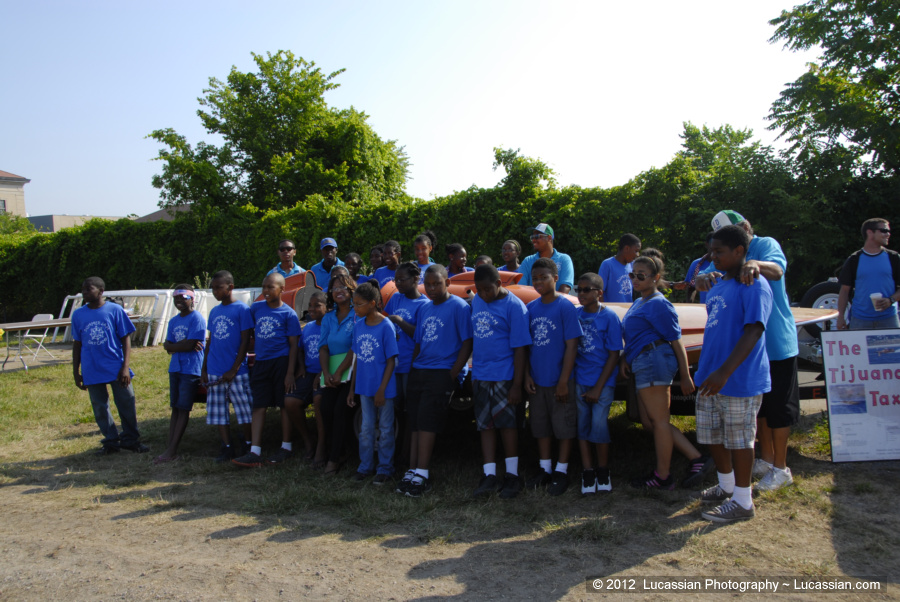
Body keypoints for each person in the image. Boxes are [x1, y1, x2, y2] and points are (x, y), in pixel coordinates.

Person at [698, 210, 800, 492]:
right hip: (747, 350)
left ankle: (781, 467)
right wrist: (703, 278)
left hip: (776, 341)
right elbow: (710, 273)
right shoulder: (725, 252)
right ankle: (765, 460)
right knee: (760, 410)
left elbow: (777, 270)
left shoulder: (765, 244)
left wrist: (755, 263)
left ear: (744, 227)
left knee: (779, 409)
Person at [692, 225, 773, 523]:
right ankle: (726, 485)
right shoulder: (718, 284)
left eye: (720, 251)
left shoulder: (753, 283)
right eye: (712, 251)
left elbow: (754, 330)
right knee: (712, 434)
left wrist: (724, 372)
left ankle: (743, 500)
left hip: (738, 378)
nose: (714, 257)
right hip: (710, 376)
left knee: (740, 440)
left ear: (740, 251)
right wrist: (709, 371)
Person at [621, 256, 701, 490]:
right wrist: (625, 357)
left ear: (656, 278)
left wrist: (685, 375)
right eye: (632, 274)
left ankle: (663, 477)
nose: (635, 279)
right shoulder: (639, 302)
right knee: (650, 422)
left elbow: (676, 340)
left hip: (653, 360)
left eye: (641, 275)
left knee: (659, 421)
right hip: (642, 361)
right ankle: (696, 457)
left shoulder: (658, 303)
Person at [400, 265, 473, 497]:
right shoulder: (424, 308)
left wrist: (453, 373)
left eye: (436, 284)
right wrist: (414, 366)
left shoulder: (459, 307)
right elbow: (419, 342)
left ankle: (423, 473)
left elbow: (467, 343)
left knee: (428, 421)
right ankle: (412, 470)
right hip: (420, 370)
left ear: (447, 283)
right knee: (414, 421)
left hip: (442, 372)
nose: (431, 289)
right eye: (428, 284)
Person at [470, 264, 531, 499]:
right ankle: (489, 474)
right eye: (479, 290)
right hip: (481, 374)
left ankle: (512, 475)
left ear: (498, 284)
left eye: (488, 289)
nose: (484, 294)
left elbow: (520, 349)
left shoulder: (514, 307)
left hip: (504, 375)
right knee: (484, 424)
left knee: (508, 425)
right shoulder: (478, 300)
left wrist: (517, 384)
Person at [524, 258, 583, 496]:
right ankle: (545, 468)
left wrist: (563, 381)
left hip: (561, 380)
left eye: (544, 277)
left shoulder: (565, 307)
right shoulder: (531, 308)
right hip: (537, 380)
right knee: (540, 425)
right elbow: (526, 347)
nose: (538, 282)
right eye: (535, 278)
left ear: (555, 279)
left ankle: (562, 470)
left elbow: (572, 346)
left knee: (564, 425)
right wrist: (527, 375)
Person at [72, 277, 148, 455]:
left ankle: (130, 440)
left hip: (115, 367)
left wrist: (125, 367)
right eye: (83, 289)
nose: (84, 293)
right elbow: (77, 344)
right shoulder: (78, 314)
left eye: (89, 289)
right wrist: (76, 371)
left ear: (101, 291)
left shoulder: (114, 310)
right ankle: (111, 442)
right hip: (92, 368)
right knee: (100, 406)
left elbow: (125, 339)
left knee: (126, 402)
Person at [232, 273, 301, 467]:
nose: (266, 291)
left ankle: (286, 447)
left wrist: (290, 373)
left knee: (283, 404)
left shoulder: (289, 314)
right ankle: (255, 451)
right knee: (258, 405)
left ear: (282, 289)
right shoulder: (256, 308)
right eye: (264, 287)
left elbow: (294, 345)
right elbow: (247, 332)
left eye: (271, 287)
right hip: (261, 362)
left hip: (281, 362)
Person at [573, 273, 622, 494]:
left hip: (602, 383)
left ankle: (603, 469)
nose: (581, 294)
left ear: (599, 293)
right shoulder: (575, 314)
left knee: (599, 425)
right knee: (582, 425)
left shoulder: (609, 317)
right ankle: (587, 470)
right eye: (578, 289)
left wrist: (598, 388)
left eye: (586, 290)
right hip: (580, 380)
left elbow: (614, 354)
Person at [348, 282, 399, 484]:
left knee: (386, 429)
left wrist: (382, 390)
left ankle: (385, 468)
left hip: (383, 389)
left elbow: (391, 361)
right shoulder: (358, 326)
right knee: (366, 429)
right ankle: (365, 467)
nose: (355, 308)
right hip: (364, 387)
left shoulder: (386, 326)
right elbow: (357, 359)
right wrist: (352, 388)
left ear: (372, 303)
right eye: (354, 304)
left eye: (359, 304)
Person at [202, 270, 254, 463]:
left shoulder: (242, 310)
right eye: (213, 288)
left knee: (244, 411)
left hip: (237, 372)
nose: (215, 292)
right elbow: (210, 341)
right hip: (214, 369)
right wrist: (204, 368)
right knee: (218, 412)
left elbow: (245, 341)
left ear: (230, 287)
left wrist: (234, 368)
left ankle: (248, 443)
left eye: (219, 288)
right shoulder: (214, 312)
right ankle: (227, 446)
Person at [384, 262, 430, 477]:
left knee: (410, 412)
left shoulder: (424, 304)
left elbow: (420, 334)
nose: (398, 284)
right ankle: (394, 454)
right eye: (396, 280)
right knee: (395, 411)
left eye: (402, 280)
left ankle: (407, 456)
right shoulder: (395, 299)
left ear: (415, 280)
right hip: (393, 363)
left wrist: (400, 321)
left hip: (410, 364)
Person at [156, 284, 206, 464]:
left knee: (183, 408)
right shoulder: (173, 321)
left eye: (183, 298)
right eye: (176, 298)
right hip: (175, 368)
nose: (179, 301)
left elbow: (188, 345)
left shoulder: (197, 318)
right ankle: (170, 445)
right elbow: (167, 345)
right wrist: (181, 345)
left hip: (191, 369)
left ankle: (172, 450)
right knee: (175, 408)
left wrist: (175, 346)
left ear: (192, 299)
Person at [317, 272, 359, 476]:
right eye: (334, 288)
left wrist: (340, 371)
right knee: (325, 409)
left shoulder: (357, 314)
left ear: (351, 290)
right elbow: (323, 347)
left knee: (340, 411)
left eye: (342, 287)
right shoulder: (328, 318)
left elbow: (355, 347)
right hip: (332, 375)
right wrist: (327, 373)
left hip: (352, 374)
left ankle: (333, 460)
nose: (338, 291)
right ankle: (339, 451)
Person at [284, 290, 327, 464]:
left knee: (318, 400)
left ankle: (322, 445)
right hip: (308, 373)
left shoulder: (331, 326)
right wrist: (301, 367)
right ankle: (308, 440)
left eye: (317, 305)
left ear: (327, 307)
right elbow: (300, 349)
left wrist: (323, 372)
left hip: (325, 373)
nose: (312, 308)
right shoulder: (308, 327)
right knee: (290, 401)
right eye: (310, 305)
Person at [837, 218, 900, 330]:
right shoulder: (854, 259)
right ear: (870, 232)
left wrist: (891, 300)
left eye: (888, 231)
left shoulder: (894, 258)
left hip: (889, 318)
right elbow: (844, 290)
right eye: (884, 231)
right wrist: (840, 316)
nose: (888, 234)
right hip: (860, 320)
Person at [517, 223, 575, 294]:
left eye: (537, 236)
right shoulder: (527, 261)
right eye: (532, 237)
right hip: (532, 301)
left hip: (558, 301)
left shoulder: (564, 259)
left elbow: (565, 287)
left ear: (549, 238)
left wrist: (553, 301)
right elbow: (521, 288)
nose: (533, 240)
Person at [598, 233, 641, 302]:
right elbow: (599, 292)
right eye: (636, 251)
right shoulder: (607, 264)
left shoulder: (633, 265)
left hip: (628, 308)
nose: (637, 255)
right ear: (627, 248)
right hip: (612, 308)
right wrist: (604, 308)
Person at [674, 232, 714, 304]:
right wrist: (690, 306)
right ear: (706, 244)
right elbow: (691, 287)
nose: (714, 247)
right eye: (712, 243)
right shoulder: (697, 264)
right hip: (704, 307)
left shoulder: (724, 264)